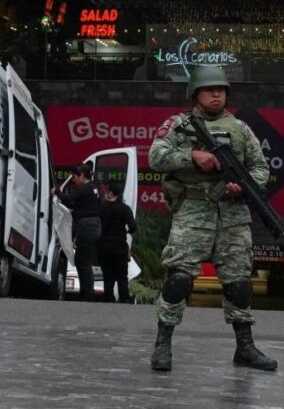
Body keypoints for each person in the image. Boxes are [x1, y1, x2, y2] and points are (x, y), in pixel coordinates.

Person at [148, 65, 277, 371]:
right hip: (193, 213)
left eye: (221, 89)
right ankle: (163, 344)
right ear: (196, 93)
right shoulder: (178, 125)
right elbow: (156, 157)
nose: (217, 94)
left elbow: (261, 168)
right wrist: (191, 156)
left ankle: (245, 348)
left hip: (232, 215)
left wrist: (242, 186)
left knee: (239, 283)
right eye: (210, 89)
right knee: (179, 279)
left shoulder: (241, 129)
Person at [53, 163, 102, 301]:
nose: (73, 180)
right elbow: (75, 204)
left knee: (83, 261)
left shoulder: (85, 189)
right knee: (82, 260)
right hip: (94, 227)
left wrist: (56, 191)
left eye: (74, 176)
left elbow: (69, 199)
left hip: (87, 227)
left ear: (81, 175)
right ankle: (87, 292)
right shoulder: (94, 189)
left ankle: (87, 294)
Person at [98, 182, 136, 303]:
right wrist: (127, 231)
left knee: (107, 274)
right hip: (119, 245)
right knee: (121, 274)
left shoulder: (102, 207)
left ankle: (108, 296)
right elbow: (133, 226)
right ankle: (124, 297)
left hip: (104, 245)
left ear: (110, 193)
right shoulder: (125, 209)